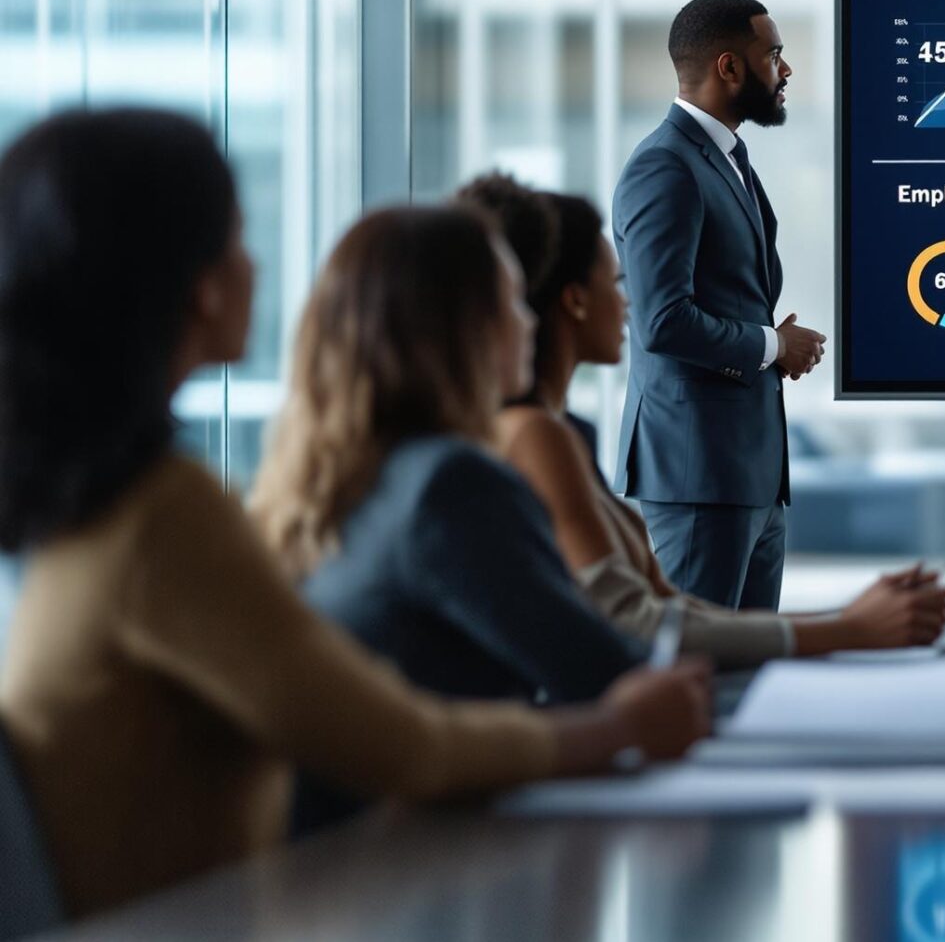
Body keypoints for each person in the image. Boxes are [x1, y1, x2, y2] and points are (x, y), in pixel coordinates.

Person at [0, 110, 708, 921]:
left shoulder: (88, 514)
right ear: (198, 283)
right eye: (238, 237)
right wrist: (614, 727)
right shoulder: (161, 518)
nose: (256, 265)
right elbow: (404, 747)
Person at [246, 204, 711, 831]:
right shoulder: (451, 484)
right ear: (463, 329)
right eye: (514, 301)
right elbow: (603, 672)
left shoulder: (344, 481)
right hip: (395, 859)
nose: (529, 321)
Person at [457, 174, 945, 664]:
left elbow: (674, 610)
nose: (629, 300)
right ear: (575, 300)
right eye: (617, 281)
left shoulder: (560, 434)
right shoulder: (536, 437)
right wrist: (851, 628)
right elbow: (640, 625)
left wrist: (857, 618)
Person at [615, 0, 821, 610]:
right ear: (729, 67)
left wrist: (771, 345)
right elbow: (661, 320)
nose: (785, 70)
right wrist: (772, 345)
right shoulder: (665, 167)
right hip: (698, 473)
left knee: (750, 661)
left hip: (750, 476)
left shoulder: (727, 158)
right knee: (698, 656)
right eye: (774, 55)